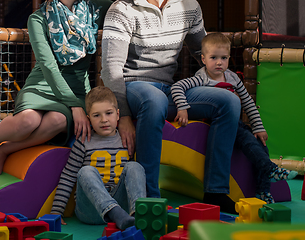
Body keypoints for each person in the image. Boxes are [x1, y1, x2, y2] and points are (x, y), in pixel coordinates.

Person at [101, 0, 241, 214]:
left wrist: (223, 80)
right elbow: (111, 69)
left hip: (170, 88)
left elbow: (203, 51)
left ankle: (216, 191)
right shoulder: (122, 9)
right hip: (134, 86)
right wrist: (124, 116)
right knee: (154, 99)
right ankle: (149, 198)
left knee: (228, 101)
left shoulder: (188, 6)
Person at [0, 0, 99, 177]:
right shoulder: (38, 19)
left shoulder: (95, 10)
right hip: (42, 84)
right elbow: (48, 67)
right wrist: (75, 105)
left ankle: (5, 150)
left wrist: (79, 103)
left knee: (58, 120)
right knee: (28, 121)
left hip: (76, 88)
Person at [171, 32, 298, 203]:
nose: (219, 62)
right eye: (213, 57)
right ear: (203, 59)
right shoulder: (201, 78)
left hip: (236, 124)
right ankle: (270, 168)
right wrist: (183, 107)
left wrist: (258, 127)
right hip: (215, 124)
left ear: (229, 58)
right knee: (245, 138)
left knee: (260, 145)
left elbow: (248, 103)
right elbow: (178, 87)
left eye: (223, 58)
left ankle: (262, 190)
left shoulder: (232, 78)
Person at [51, 86, 146, 230]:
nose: (104, 120)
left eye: (109, 113)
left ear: (118, 114)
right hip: (90, 210)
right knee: (85, 171)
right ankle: (113, 212)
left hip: (123, 211)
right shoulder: (84, 142)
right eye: (97, 115)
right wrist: (57, 211)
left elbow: (134, 179)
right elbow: (68, 175)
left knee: (135, 166)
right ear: (88, 119)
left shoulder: (126, 139)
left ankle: (139, 213)